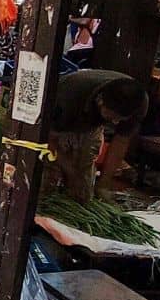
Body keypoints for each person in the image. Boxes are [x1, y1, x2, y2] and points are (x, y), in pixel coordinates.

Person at [45, 70, 148, 202]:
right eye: (112, 116)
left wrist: (103, 185)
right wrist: (71, 173)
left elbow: (121, 142)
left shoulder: (138, 103)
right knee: (48, 182)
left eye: (120, 119)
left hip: (91, 126)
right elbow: (49, 140)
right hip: (59, 125)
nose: (115, 122)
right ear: (100, 101)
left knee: (82, 191)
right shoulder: (68, 95)